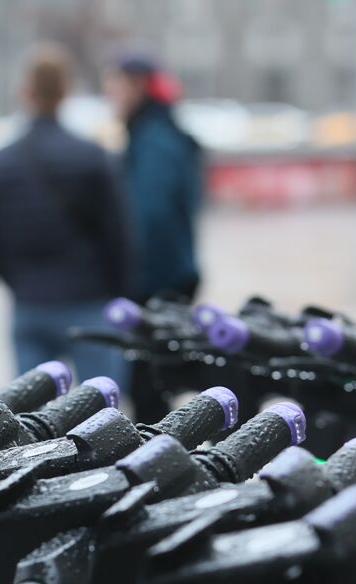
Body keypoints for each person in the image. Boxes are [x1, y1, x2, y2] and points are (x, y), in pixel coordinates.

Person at [0, 43, 129, 387]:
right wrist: (116, 290)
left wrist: (19, 283)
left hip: (30, 302)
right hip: (89, 301)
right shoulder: (93, 158)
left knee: (33, 421)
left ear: (24, 92)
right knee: (101, 418)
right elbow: (118, 237)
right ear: (67, 91)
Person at [103, 52, 204, 417]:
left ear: (137, 86)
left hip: (156, 284)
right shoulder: (150, 134)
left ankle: (159, 465)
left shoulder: (155, 140)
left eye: (114, 84)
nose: (109, 94)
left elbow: (149, 217)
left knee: (148, 390)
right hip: (161, 278)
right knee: (150, 388)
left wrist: (125, 277)